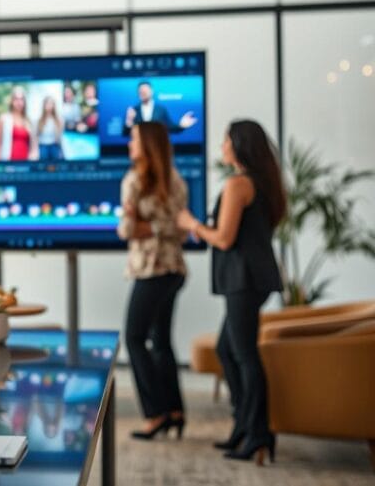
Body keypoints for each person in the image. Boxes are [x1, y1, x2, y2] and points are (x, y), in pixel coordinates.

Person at [177, 119, 286, 464]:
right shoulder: (260, 182)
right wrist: (205, 229)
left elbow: (224, 239)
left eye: (225, 140)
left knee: (244, 355)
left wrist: (192, 224)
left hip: (244, 279)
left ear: (238, 145)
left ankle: (258, 435)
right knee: (228, 349)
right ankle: (245, 426)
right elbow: (236, 233)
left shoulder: (239, 184)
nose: (221, 146)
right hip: (250, 278)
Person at [116, 121, 188, 441]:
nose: (130, 144)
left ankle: (155, 413)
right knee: (160, 342)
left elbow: (127, 231)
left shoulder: (134, 181)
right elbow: (178, 229)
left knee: (133, 338)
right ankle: (175, 411)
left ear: (146, 144)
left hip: (151, 270)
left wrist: (144, 224)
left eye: (133, 139)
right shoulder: (176, 181)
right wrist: (160, 226)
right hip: (174, 269)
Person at [123, 81, 198, 136]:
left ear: (151, 91)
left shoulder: (160, 109)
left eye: (145, 91)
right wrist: (129, 121)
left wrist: (181, 125)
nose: (143, 93)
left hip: (158, 148)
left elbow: (170, 128)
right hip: (141, 151)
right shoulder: (134, 110)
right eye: (141, 91)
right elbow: (126, 133)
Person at [0, 86, 37, 161]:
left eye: (21, 99)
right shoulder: (3, 118)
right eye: (16, 99)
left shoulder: (29, 121)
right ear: (12, 101)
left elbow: (34, 146)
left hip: (26, 165)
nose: (19, 102)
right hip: (8, 164)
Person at [35, 96, 64, 161]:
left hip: (54, 145)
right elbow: (36, 136)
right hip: (43, 145)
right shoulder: (40, 120)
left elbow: (60, 136)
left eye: (51, 104)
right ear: (44, 105)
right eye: (47, 104)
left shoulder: (58, 120)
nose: (49, 106)